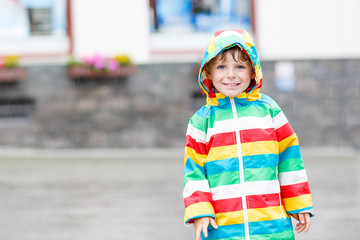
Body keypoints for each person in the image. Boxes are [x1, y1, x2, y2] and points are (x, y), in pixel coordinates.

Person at [183, 29, 314, 240]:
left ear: (253, 71)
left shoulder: (269, 111)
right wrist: (199, 211)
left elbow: (290, 158)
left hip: (270, 225)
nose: (231, 74)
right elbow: (194, 172)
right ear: (208, 72)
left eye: (240, 66)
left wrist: (298, 202)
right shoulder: (202, 121)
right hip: (224, 227)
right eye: (222, 67)